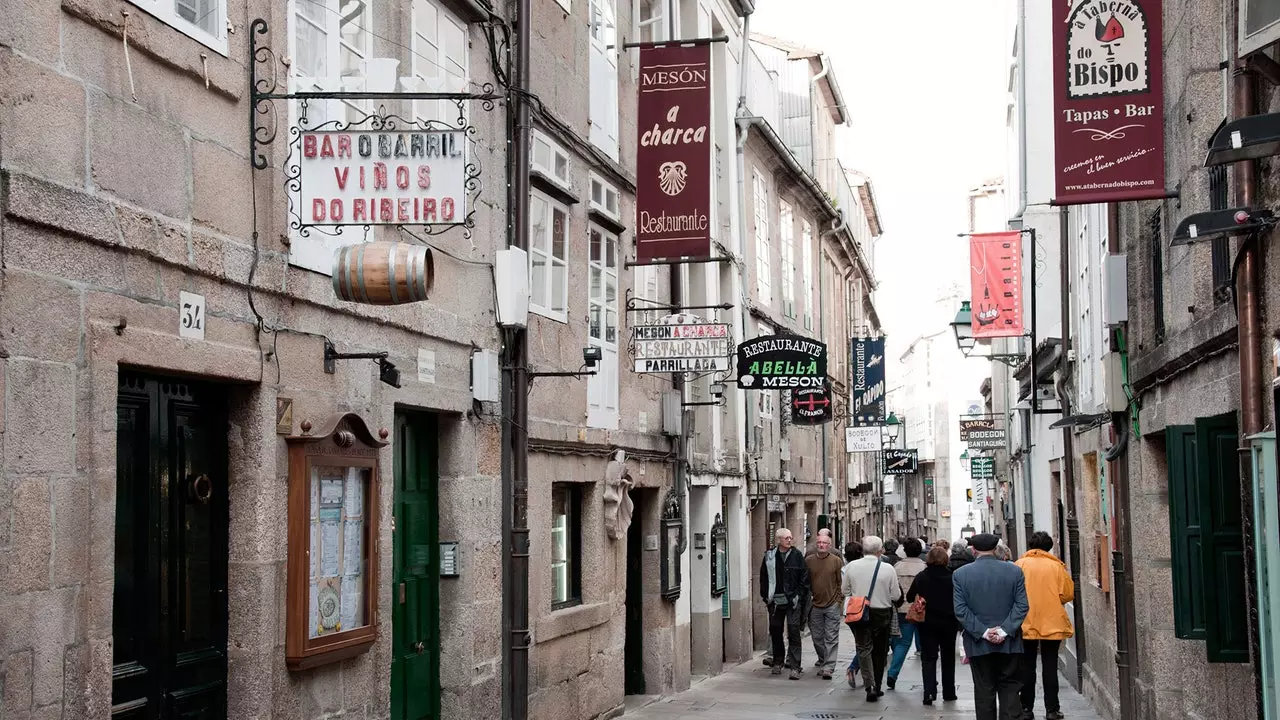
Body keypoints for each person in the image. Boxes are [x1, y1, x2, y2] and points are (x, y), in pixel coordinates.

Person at [953, 533, 1030, 720]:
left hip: (978, 643)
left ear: (973, 550)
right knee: (1010, 687)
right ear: (996, 549)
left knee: (984, 690)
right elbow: (1022, 606)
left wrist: (984, 632)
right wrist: (1004, 630)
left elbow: (961, 610)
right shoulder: (1014, 571)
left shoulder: (960, 574)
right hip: (1010, 642)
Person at [1015, 532, 1074, 720]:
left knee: (1027, 667)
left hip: (1025, 622)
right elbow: (1067, 594)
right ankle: (1052, 709)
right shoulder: (1056, 567)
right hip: (1052, 622)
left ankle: (1026, 708)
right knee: (1050, 665)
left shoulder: (1019, 565)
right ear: (1049, 547)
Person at [842, 536, 902, 701]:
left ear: (863, 549)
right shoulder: (888, 568)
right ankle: (877, 685)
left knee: (863, 648)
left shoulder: (851, 566)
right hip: (882, 612)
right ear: (880, 550)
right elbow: (896, 595)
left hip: (860, 611)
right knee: (880, 650)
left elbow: (845, 591)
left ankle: (869, 685)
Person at [908, 546, 959, 705]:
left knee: (928, 657)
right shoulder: (953, 577)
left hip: (927, 623)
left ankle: (929, 693)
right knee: (948, 657)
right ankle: (949, 692)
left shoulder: (922, 576)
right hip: (949, 622)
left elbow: (910, 597)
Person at [759, 527, 810, 679]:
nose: (790, 540)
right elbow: (763, 577)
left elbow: (804, 578)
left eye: (790, 537)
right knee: (775, 630)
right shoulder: (769, 556)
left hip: (792, 600)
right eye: (786, 538)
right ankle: (777, 662)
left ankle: (795, 666)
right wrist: (765, 597)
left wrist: (798, 596)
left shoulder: (797, 555)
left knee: (794, 632)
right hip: (775, 600)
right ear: (779, 540)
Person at [887, 538, 927, 689]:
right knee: (925, 645)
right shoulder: (924, 567)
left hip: (903, 609)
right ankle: (928, 677)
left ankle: (892, 673)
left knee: (903, 643)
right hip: (922, 610)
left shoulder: (897, 567)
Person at [805, 533, 845, 679]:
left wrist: (839, 601)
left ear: (829, 545)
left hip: (832, 604)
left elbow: (841, 582)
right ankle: (823, 659)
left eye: (825, 543)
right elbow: (805, 581)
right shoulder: (809, 561)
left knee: (831, 636)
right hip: (815, 605)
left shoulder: (836, 561)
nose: (821, 545)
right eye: (819, 542)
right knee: (817, 637)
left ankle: (829, 667)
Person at [842, 541, 864, 689]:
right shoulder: (862, 568)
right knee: (865, 644)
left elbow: (844, 591)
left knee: (860, 641)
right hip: (862, 607)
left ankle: (856, 668)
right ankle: (853, 667)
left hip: (849, 609)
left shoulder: (845, 568)